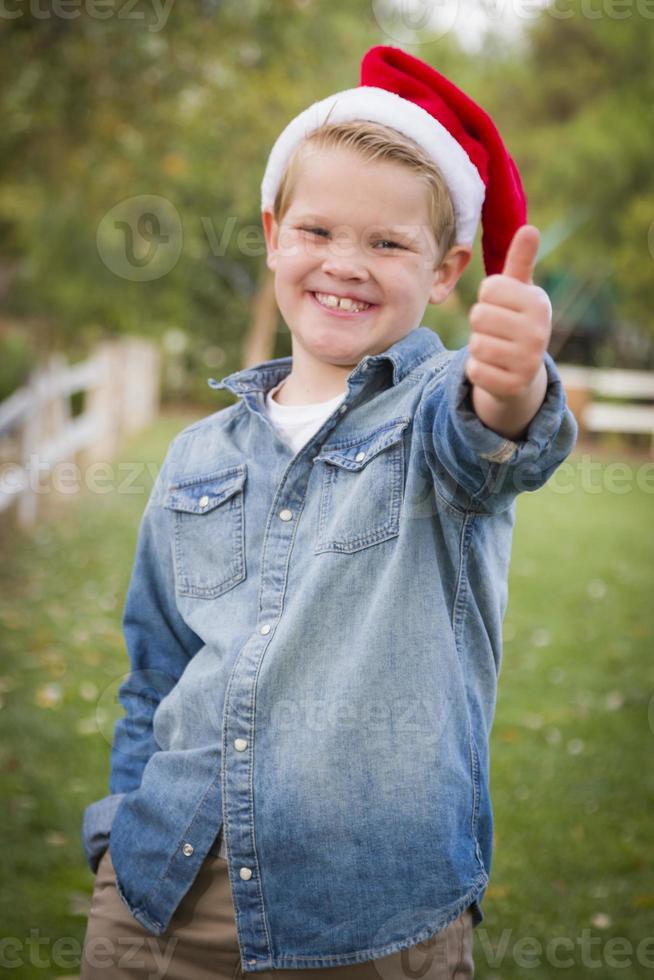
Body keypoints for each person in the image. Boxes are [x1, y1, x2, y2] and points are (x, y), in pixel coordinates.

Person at [79, 44, 577, 979]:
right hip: (157, 901)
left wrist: (512, 384)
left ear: (445, 270)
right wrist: (115, 842)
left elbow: (499, 437)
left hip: (366, 921)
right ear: (272, 234)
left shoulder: (437, 417)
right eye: (317, 231)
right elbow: (154, 676)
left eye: (388, 244)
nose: (345, 265)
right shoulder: (197, 458)